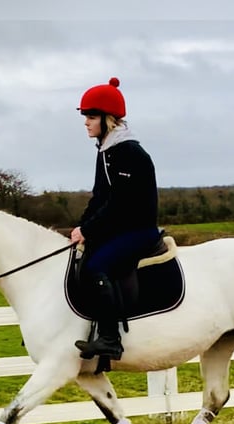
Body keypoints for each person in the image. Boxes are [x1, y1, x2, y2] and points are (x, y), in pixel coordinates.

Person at [72, 77, 160, 361]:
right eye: (85, 116)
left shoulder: (128, 153)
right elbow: (99, 197)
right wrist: (81, 227)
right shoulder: (106, 151)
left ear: (108, 120)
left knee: (97, 265)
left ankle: (110, 339)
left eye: (91, 116)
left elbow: (121, 203)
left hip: (139, 230)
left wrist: (90, 228)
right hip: (121, 228)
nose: (86, 122)